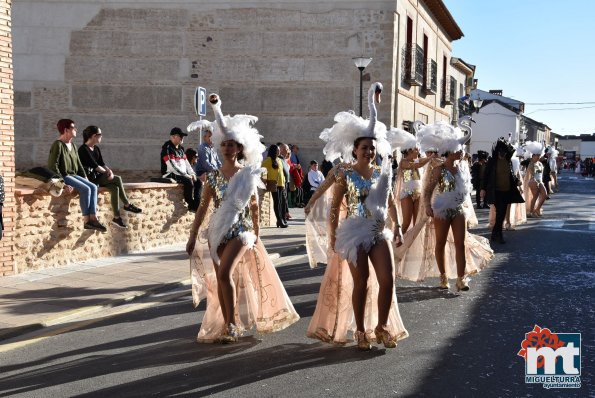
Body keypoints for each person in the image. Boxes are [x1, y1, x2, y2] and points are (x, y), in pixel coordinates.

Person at [185, 93, 299, 343]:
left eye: (232, 144)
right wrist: (193, 235)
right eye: (224, 144)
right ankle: (228, 324)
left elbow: (255, 205)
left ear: (239, 148)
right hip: (217, 231)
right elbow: (203, 208)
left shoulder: (247, 174)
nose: (227, 148)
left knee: (225, 273)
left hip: (241, 231)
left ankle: (234, 324)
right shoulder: (213, 177)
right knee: (223, 278)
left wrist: (256, 233)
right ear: (219, 146)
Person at [306, 82, 408, 350]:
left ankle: (383, 326)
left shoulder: (380, 173)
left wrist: (396, 227)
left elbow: (390, 201)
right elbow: (333, 206)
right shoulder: (345, 173)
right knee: (361, 281)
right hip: (352, 234)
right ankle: (361, 330)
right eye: (364, 147)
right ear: (355, 149)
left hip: (377, 230)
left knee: (388, 278)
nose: (369, 151)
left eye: (372, 148)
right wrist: (332, 237)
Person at [423, 121, 474, 291]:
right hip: (442, 210)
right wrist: (427, 206)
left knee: (461, 243)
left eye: (461, 149)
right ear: (450, 151)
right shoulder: (439, 169)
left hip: (458, 209)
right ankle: (443, 276)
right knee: (440, 243)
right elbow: (428, 190)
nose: (461, 152)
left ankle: (461, 279)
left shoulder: (462, 168)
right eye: (458, 149)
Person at [78, 125, 142, 229]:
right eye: (100, 135)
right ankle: (127, 204)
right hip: (90, 179)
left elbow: (102, 164)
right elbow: (96, 166)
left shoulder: (96, 148)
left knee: (115, 188)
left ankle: (117, 217)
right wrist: (107, 174)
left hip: (99, 176)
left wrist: (109, 171)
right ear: (94, 136)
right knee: (118, 179)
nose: (101, 137)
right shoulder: (83, 149)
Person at [48, 119, 106, 232]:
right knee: (85, 189)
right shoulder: (57, 145)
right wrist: (62, 184)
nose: (76, 129)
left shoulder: (73, 146)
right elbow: (52, 167)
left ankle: (93, 218)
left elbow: (78, 164)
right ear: (66, 130)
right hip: (65, 176)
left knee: (93, 187)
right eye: (73, 127)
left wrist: (85, 177)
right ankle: (86, 220)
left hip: (74, 175)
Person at [480, 138, 524, 244]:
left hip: (507, 191)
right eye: (500, 152)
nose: (502, 154)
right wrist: (483, 189)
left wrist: (517, 181)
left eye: (504, 152)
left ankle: (495, 234)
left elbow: (511, 175)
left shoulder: (508, 161)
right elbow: (485, 176)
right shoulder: (492, 161)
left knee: (502, 213)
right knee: (500, 213)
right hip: (496, 191)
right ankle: (498, 235)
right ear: (497, 152)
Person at [394, 132, 435, 233]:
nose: (418, 151)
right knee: (406, 223)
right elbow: (416, 165)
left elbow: (420, 161)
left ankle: (411, 247)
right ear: (409, 151)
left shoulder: (416, 160)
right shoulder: (403, 162)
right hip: (407, 194)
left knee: (417, 223)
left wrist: (432, 156)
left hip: (418, 193)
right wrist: (430, 157)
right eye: (416, 149)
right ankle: (399, 244)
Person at [161, 127, 200, 212]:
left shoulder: (181, 149)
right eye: (180, 136)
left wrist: (192, 173)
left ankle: (197, 204)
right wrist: (186, 175)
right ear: (173, 137)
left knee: (198, 181)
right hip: (169, 173)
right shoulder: (167, 148)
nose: (183, 138)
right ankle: (191, 204)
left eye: (183, 136)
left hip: (181, 174)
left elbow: (187, 164)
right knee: (188, 181)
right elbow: (172, 166)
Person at [261, 145, 287, 228]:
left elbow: (281, 172)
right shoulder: (268, 160)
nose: (279, 151)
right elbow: (262, 169)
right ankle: (279, 220)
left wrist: (284, 181)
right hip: (273, 183)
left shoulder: (279, 159)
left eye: (279, 150)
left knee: (282, 202)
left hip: (281, 183)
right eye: (277, 150)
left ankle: (282, 219)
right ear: (273, 151)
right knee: (277, 202)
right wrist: (264, 180)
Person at [194, 127, 222, 203]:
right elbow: (205, 163)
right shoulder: (202, 147)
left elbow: (218, 162)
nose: (211, 139)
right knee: (216, 179)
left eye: (212, 137)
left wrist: (222, 170)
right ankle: (218, 200)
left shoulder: (212, 148)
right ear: (204, 137)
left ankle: (222, 199)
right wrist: (217, 171)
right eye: (209, 137)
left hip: (212, 171)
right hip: (203, 172)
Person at [524, 141, 547, 218]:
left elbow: (541, 174)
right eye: (537, 155)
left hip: (540, 182)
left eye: (539, 155)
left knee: (544, 195)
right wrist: (535, 180)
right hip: (533, 182)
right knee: (535, 196)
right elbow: (531, 174)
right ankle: (531, 211)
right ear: (533, 156)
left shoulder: (540, 163)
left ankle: (537, 209)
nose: (538, 157)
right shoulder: (531, 164)